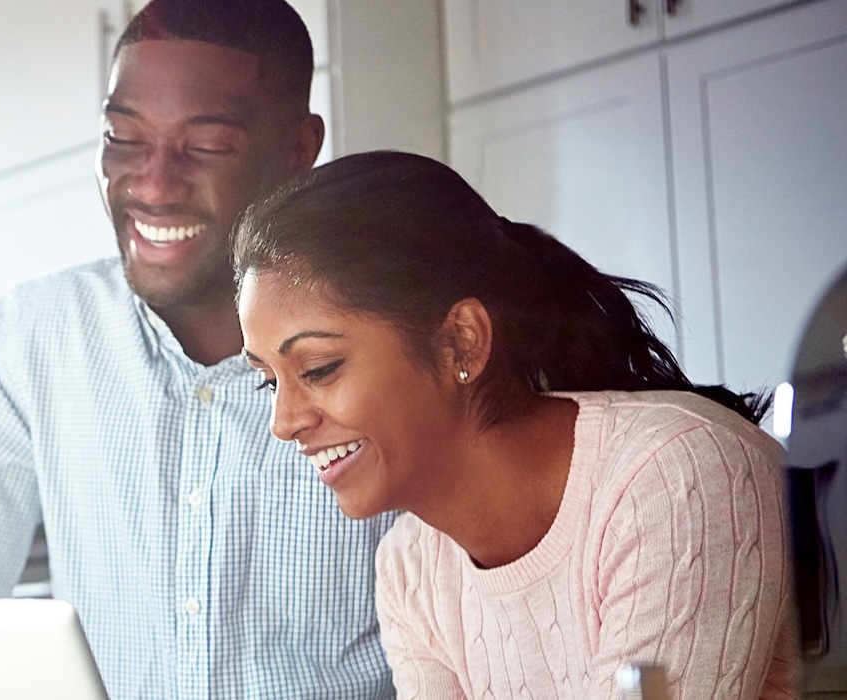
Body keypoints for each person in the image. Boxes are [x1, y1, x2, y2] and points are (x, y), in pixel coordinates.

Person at [0, 0, 397, 697]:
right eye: (123, 136)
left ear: (298, 150)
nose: (154, 183)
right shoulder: (35, 337)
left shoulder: (384, 338)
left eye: (205, 146)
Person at [234, 150, 798, 698]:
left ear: (463, 341)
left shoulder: (677, 475)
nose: (284, 423)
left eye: (317, 368)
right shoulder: (410, 566)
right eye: (269, 380)